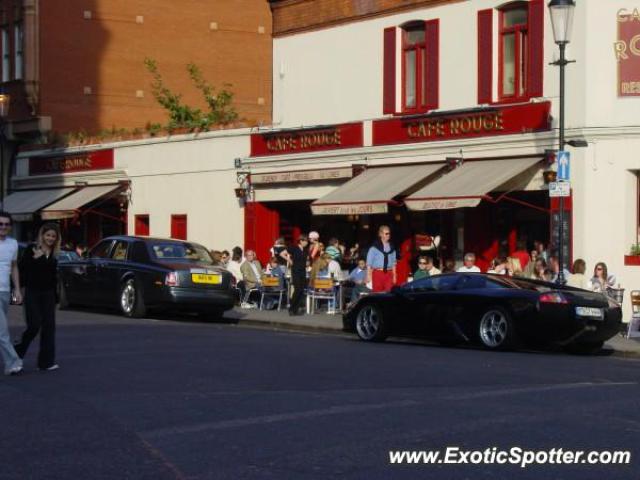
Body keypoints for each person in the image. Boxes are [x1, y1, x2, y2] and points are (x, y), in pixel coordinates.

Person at [14, 223, 61, 371]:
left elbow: (53, 277)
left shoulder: (54, 254)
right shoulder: (32, 249)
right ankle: (17, 352)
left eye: (53, 236)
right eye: (48, 235)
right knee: (34, 325)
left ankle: (46, 362)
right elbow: (22, 269)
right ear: (42, 235)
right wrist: (35, 258)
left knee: (49, 327)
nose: (50, 238)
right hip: (32, 292)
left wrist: (56, 297)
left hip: (48, 294)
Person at [0, 212, 23, 376]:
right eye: (0, 224)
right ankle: (13, 362)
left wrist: (17, 289)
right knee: (2, 331)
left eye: (6, 224)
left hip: (5, 290)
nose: (3, 227)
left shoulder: (13, 243)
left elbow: (14, 267)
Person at [283, 235, 309, 316]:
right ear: (301, 241)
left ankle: (296, 309)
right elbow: (282, 253)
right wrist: (289, 260)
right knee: (297, 289)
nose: (306, 243)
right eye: (305, 241)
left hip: (303, 271)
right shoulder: (294, 248)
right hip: (296, 271)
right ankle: (291, 308)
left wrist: (308, 263)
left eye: (307, 241)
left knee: (301, 290)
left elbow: (307, 259)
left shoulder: (305, 250)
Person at [366, 225, 397, 292]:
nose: (388, 235)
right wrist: (368, 275)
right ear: (380, 234)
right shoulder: (374, 248)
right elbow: (369, 263)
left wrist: (394, 275)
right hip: (377, 273)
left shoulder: (392, 247)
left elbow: (394, 263)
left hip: (389, 273)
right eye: (386, 233)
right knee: (377, 294)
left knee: (389, 294)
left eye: (389, 233)